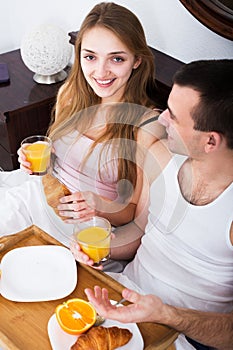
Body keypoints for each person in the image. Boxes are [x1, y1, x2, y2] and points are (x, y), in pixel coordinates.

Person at [77, 59, 233, 350]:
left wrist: (166, 314)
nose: (162, 120)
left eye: (173, 116)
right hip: (123, 295)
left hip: (188, 336)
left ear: (210, 141)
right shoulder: (161, 159)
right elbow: (139, 235)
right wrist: (97, 251)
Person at [0, 2, 165, 246]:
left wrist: (97, 204)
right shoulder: (71, 94)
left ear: (137, 60)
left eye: (117, 59)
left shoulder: (147, 127)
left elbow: (133, 215)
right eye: (90, 57)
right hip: (37, 195)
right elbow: (54, 165)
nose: (101, 72)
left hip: (83, 228)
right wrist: (35, 162)